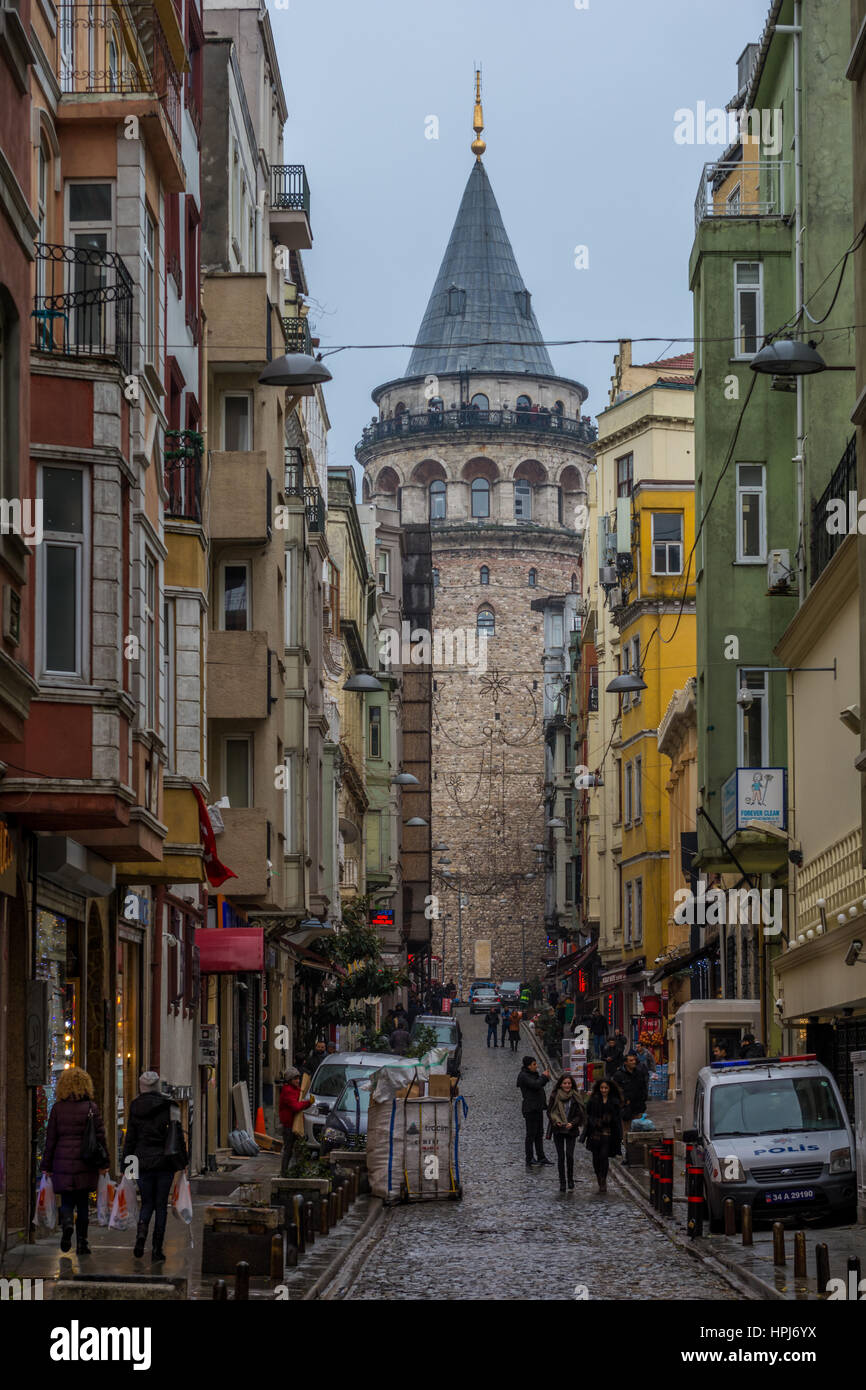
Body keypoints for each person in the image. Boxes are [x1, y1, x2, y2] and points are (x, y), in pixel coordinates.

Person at [41, 1066, 108, 1257]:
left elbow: (50, 1139)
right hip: (85, 1162)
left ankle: (68, 1224)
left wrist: (46, 1166)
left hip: (61, 1162)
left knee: (68, 1201)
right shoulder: (91, 1108)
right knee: (83, 1203)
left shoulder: (57, 1109)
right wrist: (105, 1164)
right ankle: (82, 1243)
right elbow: (100, 1138)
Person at [123, 1071, 187, 1261]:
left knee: (147, 1203)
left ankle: (141, 1235)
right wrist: (183, 1162)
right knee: (160, 1206)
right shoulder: (169, 1106)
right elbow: (177, 1137)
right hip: (164, 1162)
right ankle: (157, 1249)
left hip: (142, 1162)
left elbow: (130, 1140)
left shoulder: (135, 1107)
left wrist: (127, 1166)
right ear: (158, 1087)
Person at [581, 1077, 623, 1193]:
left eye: (606, 1088)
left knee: (604, 1157)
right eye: (602, 1088)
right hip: (595, 1133)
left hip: (608, 1134)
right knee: (596, 1158)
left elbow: (617, 1119)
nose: (604, 1090)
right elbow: (588, 1115)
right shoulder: (594, 1100)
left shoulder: (614, 1101)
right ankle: (598, 1176)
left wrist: (610, 1120)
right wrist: (596, 1122)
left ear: (610, 1089)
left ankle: (603, 1180)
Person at [547, 1072, 585, 1192]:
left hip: (571, 1130)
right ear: (560, 1084)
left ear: (572, 1084)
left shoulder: (576, 1096)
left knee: (569, 1155)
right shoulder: (555, 1095)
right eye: (565, 1083)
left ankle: (570, 1179)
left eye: (569, 1083)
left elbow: (580, 1114)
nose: (567, 1085)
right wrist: (556, 1121)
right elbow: (550, 1112)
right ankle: (562, 1182)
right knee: (561, 1156)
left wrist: (572, 1123)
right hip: (558, 1129)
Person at [516, 1056, 552, 1167]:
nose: (536, 1066)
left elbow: (538, 1085)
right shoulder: (523, 1076)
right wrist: (544, 1077)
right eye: (534, 1064)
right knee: (531, 1134)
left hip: (538, 1107)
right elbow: (535, 1085)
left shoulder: (531, 1074)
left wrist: (544, 1079)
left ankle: (541, 1156)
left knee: (539, 1133)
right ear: (529, 1065)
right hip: (530, 1108)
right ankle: (529, 1158)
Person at [278, 1068, 313, 1178]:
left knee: (299, 1150)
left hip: (295, 1125)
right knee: (288, 1150)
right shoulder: (287, 1090)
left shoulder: (297, 1089)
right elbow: (296, 1106)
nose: (298, 1080)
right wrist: (308, 1103)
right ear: (289, 1080)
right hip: (289, 1126)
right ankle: (284, 1173)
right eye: (295, 1079)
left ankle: (297, 1172)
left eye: (298, 1078)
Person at [612, 1052, 649, 1151]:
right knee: (627, 1132)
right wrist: (623, 1102)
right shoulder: (619, 1075)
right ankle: (629, 1155)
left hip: (638, 1107)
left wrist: (644, 1098)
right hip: (626, 1108)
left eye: (634, 1060)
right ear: (625, 1063)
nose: (634, 1062)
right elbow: (615, 1091)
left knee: (638, 1131)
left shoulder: (639, 1073)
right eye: (631, 1060)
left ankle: (637, 1154)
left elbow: (644, 1087)